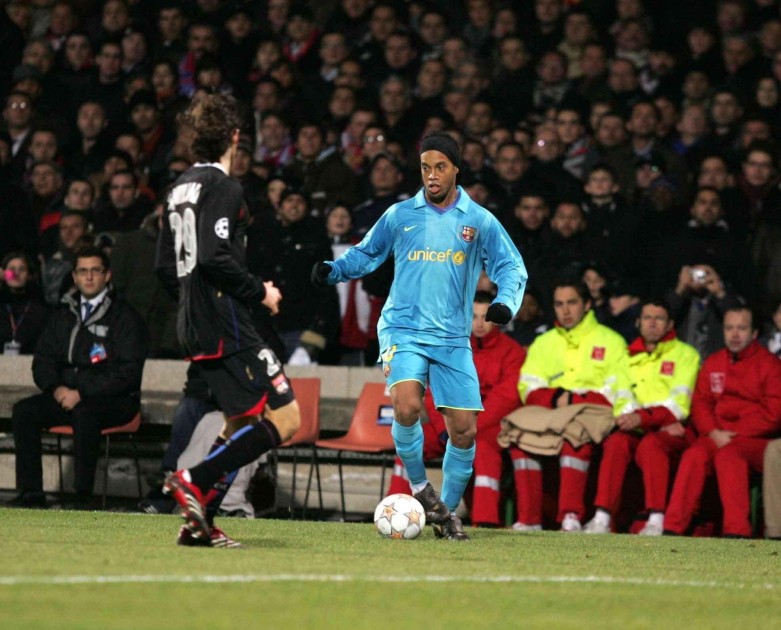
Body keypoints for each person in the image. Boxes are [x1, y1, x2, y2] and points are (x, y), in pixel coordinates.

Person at [312, 131, 527, 540]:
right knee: (407, 404)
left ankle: (445, 514)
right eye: (426, 167)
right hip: (403, 328)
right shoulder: (399, 215)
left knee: (463, 430)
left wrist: (505, 304)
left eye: (440, 167)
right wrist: (334, 269)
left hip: (450, 337)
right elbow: (367, 252)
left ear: (456, 170)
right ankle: (418, 488)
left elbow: (511, 268)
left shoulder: (478, 219)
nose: (431, 175)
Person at [156, 94, 301, 548]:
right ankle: (193, 477)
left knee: (239, 422)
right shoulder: (225, 186)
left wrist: (192, 305)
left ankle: (200, 522)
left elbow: (165, 265)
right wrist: (262, 292)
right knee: (288, 418)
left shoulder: (180, 186)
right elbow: (216, 253)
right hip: (226, 322)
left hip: (194, 321)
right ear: (235, 139)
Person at [8, 246, 147, 509]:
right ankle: (31, 493)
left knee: (85, 414)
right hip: (66, 395)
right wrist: (57, 389)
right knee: (24, 411)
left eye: (96, 270)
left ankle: (82, 497)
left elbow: (128, 373)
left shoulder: (125, 317)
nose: (89, 277)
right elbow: (42, 361)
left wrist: (82, 391)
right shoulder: (62, 314)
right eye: (83, 271)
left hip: (113, 400)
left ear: (107, 275)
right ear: (74, 277)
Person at [387, 291, 526, 527]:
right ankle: (396, 513)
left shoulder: (512, 351)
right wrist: (448, 426)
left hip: (487, 429)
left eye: (486, 316)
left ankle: (485, 522)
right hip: (446, 425)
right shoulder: (447, 345)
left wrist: (467, 427)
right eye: (473, 316)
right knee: (410, 448)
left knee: (483, 451)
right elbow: (430, 390)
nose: (480, 323)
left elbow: (507, 397)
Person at [509, 279, 636, 532]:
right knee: (517, 437)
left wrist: (574, 401)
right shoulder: (544, 342)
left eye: (572, 303)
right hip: (552, 413)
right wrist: (558, 399)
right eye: (559, 304)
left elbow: (617, 391)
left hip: (592, 413)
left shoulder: (612, 342)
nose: (565, 310)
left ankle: (570, 516)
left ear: (587, 304)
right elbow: (528, 387)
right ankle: (529, 519)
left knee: (575, 435)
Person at [583, 299, 700, 535]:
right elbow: (620, 398)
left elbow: (679, 405)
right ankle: (602, 518)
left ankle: (656, 519)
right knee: (616, 442)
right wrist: (637, 418)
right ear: (638, 323)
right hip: (643, 428)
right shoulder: (625, 358)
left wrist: (643, 419)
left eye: (659, 319)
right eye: (647, 318)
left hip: (673, 434)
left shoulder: (686, 355)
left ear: (670, 325)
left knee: (651, 444)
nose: (652, 324)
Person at [663, 306, 781, 538]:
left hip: (756, 441)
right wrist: (713, 431)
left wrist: (733, 433)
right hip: (719, 435)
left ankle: (736, 531)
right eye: (729, 328)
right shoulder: (714, 363)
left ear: (754, 333)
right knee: (694, 454)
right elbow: (701, 403)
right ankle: (673, 528)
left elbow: (774, 413)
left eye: (741, 328)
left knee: (730, 455)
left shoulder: (770, 366)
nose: (734, 334)